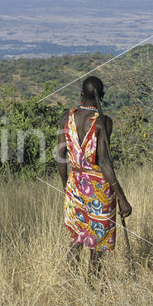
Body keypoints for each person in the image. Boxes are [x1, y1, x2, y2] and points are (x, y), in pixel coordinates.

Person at [56, 76, 132, 270]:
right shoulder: (103, 122)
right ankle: (93, 281)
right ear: (102, 96)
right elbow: (104, 162)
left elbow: (60, 158)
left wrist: (67, 186)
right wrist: (121, 197)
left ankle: (70, 278)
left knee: (79, 234)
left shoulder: (66, 118)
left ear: (82, 94)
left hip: (75, 182)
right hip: (98, 186)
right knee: (97, 238)